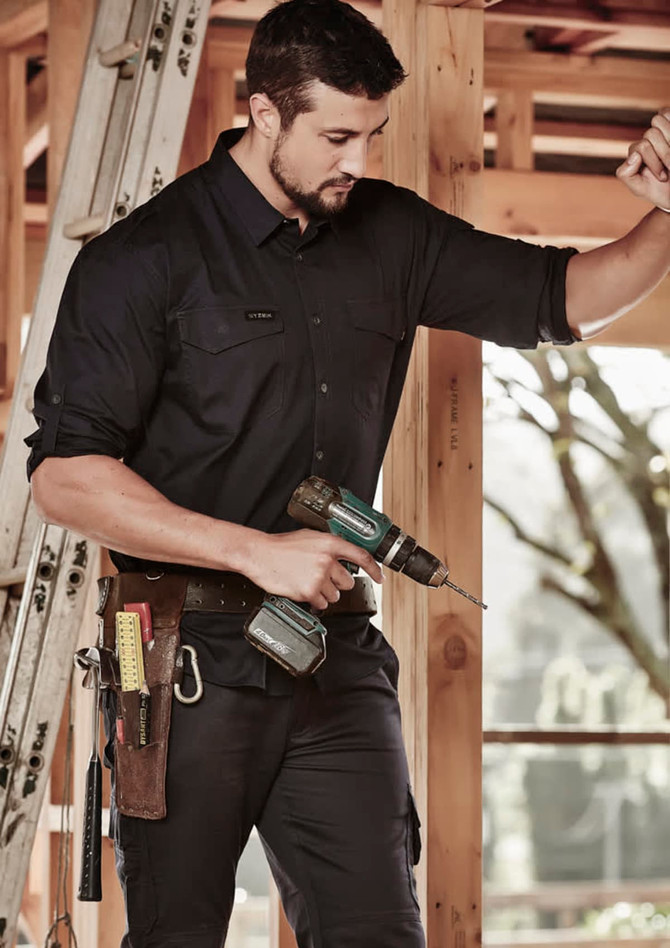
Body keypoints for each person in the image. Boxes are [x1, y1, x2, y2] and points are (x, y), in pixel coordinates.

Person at [26, 0, 670, 945]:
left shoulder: (390, 234)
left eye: (371, 134)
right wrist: (256, 552)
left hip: (334, 658)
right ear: (263, 113)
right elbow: (65, 477)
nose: (357, 160)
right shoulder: (144, 260)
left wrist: (668, 213)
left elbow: (563, 300)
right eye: (335, 135)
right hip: (176, 663)